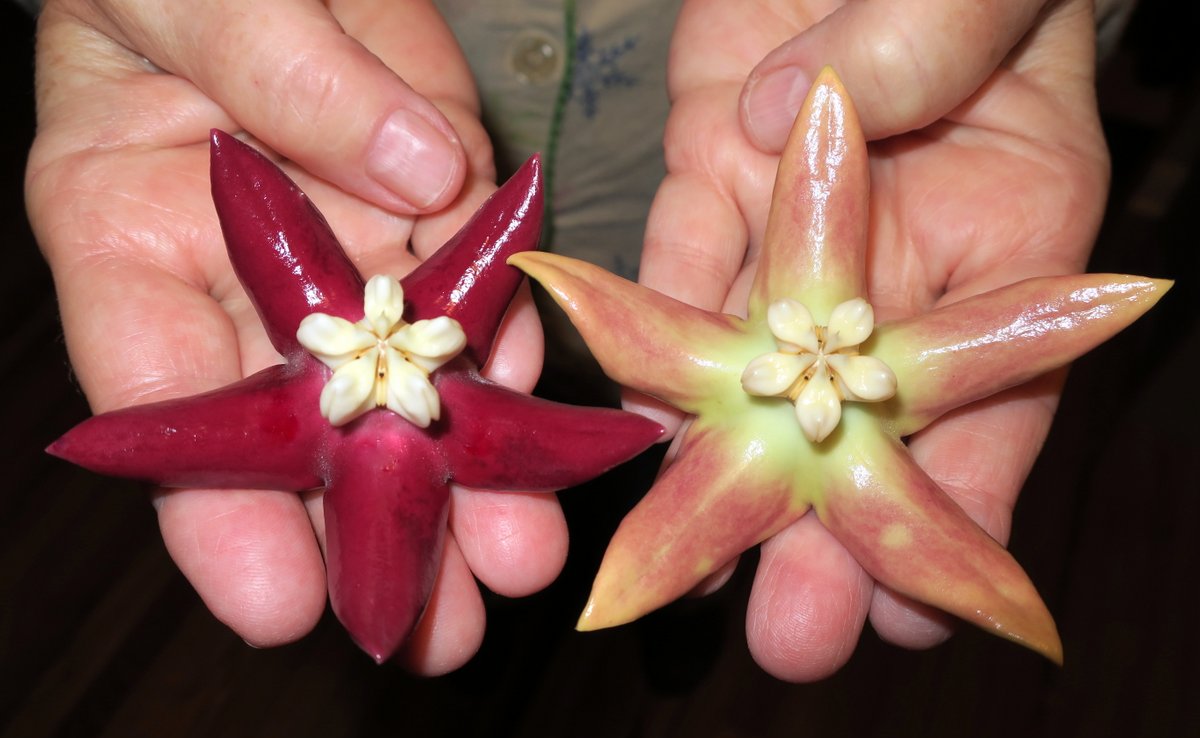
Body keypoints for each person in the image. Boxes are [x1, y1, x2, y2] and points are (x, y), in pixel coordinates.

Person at [24, 0, 1123, 680]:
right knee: (584, 510)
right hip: (545, 213)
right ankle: (632, 643)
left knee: (659, 525)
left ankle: (673, 642)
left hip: (681, 210)